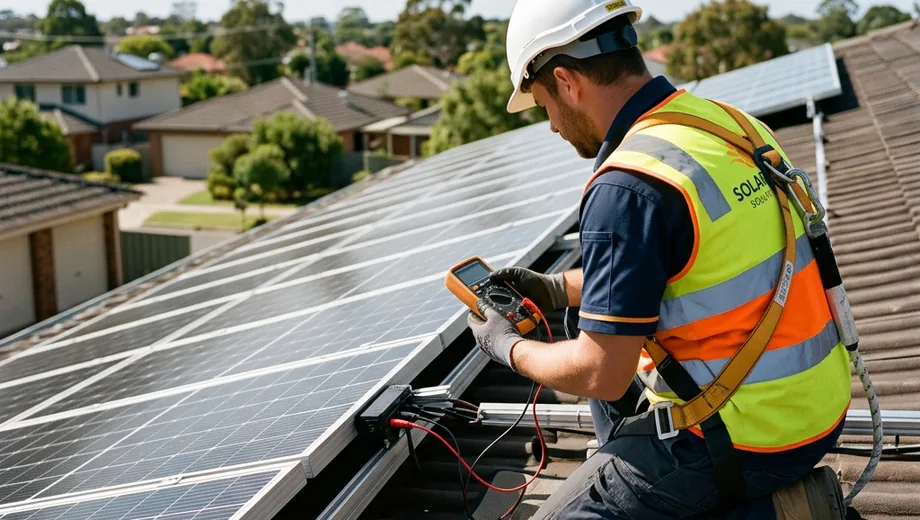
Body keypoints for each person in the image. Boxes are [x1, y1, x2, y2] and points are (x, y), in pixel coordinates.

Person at [466, 0, 853, 518]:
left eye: (544, 106)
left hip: (750, 437)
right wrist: (556, 289)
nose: (553, 126)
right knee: (596, 317)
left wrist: (507, 347)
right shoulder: (727, 125)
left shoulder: (630, 185)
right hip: (818, 407)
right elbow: (690, 270)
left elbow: (600, 372)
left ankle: (775, 510)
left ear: (566, 81)